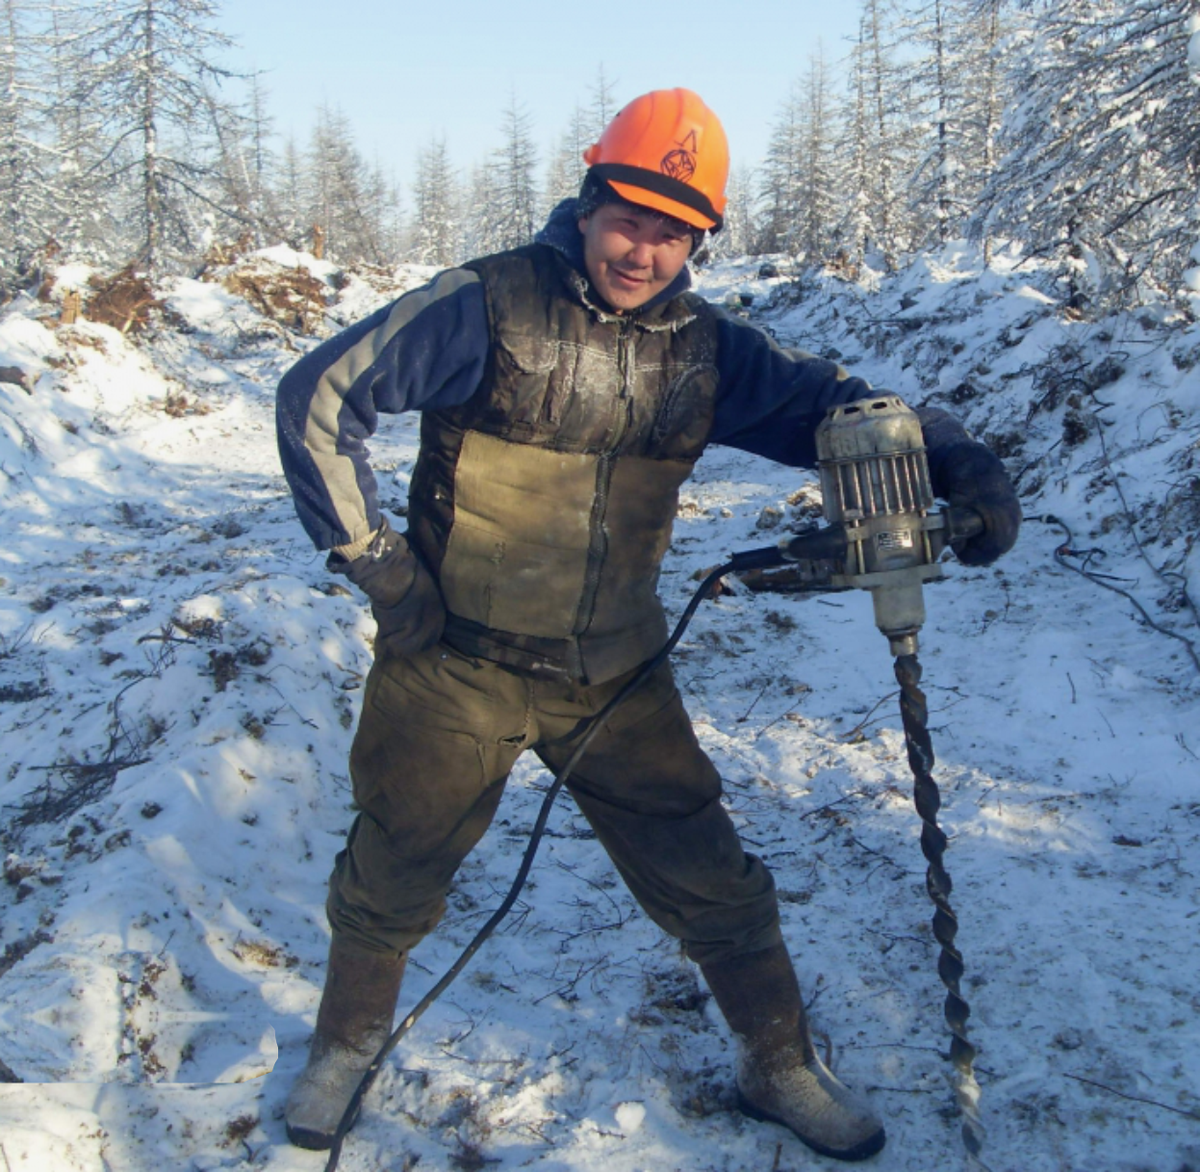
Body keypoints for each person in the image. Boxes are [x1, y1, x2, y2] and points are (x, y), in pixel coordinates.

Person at [276, 88, 1020, 1161]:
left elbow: (844, 409)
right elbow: (316, 396)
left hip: (614, 670)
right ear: (587, 202)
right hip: (454, 662)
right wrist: (382, 568)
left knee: (711, 870)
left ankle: (781, 1063)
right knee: (394, 864)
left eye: (674, 231)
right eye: (629, 216)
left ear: (699, 239)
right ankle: (343, 1046)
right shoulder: (484, 304)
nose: (644, 248)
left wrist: (955, 456)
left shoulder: (705, 350)